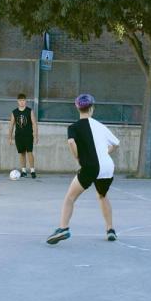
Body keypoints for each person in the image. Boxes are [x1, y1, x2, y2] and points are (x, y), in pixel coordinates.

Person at [46, 94, 120, 245]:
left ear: (77, 108)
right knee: (102, 195)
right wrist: (104, 153)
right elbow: (116, 143)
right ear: (92, 108)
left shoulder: (73, 127)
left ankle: (63, 228)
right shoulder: (100, 126)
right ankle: (110, 230)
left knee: (70, 198)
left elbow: (72, 143)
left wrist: (78, 157)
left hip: (91, 167)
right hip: (107, 167)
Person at [9, 93, 39, 179]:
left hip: (28, 135)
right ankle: (23, 171)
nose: (22, 102)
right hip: (19, 136)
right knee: (22, 153)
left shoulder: (30, 111)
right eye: (20, 100)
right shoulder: (14, 112)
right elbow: (11, 125)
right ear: (17, 101)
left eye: (23, 100)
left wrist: (36, 136)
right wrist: (10, 137)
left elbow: (34, 124)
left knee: (29, 152)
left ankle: (32, 171)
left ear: (25, 101)